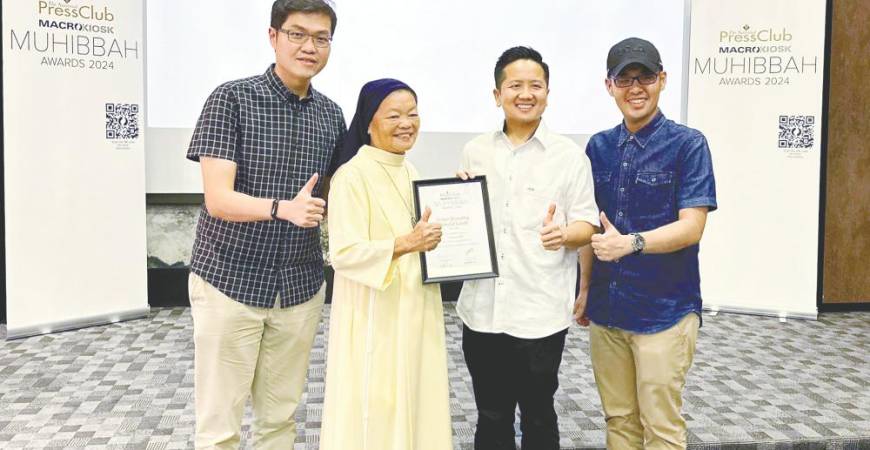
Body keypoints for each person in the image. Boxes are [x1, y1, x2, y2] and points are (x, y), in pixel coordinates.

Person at [184, 1, 345, 448]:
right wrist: (282, 208)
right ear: (273, 37)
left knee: (280, 421)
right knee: (219, 428)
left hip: (298, 287)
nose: (309, 46)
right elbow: (217, 199)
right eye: (297, 34)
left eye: (321, 38)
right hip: (229, 282)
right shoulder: (230, 99)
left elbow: (337, 195)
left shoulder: (331, 115)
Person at [575, 37, 718, 450]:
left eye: (645, 77)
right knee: (619, 420)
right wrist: (584, 291)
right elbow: (591, 227)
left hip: (664, 312)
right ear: (609, 86)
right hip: (607, 308)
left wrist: (631, 243)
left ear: (662, 80)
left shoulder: (687, 144)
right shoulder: (597, 148)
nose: (635, 88)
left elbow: (692, 226)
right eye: (625, 79)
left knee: (661, 427)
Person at [456, 46, 600, 450]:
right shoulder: (475, 150)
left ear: (548, 93)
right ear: (497, 94)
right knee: (491, 416)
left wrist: (565, 234)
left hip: (539, 312)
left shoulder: (569, 157)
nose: (525, 93)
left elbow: (588, 224)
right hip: (482, 311)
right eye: (515, 85)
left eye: (535, 85)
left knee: (538, 416)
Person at [320, 79, 453, 450]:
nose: (406, 123)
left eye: (412, 114)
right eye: (394, 115)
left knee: (416, 400)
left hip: (415, 308)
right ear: (368, 122)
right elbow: (343, 254)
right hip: (374, 315)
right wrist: (405, 244)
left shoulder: (412, 171)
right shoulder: (351, 176)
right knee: (376, 411)